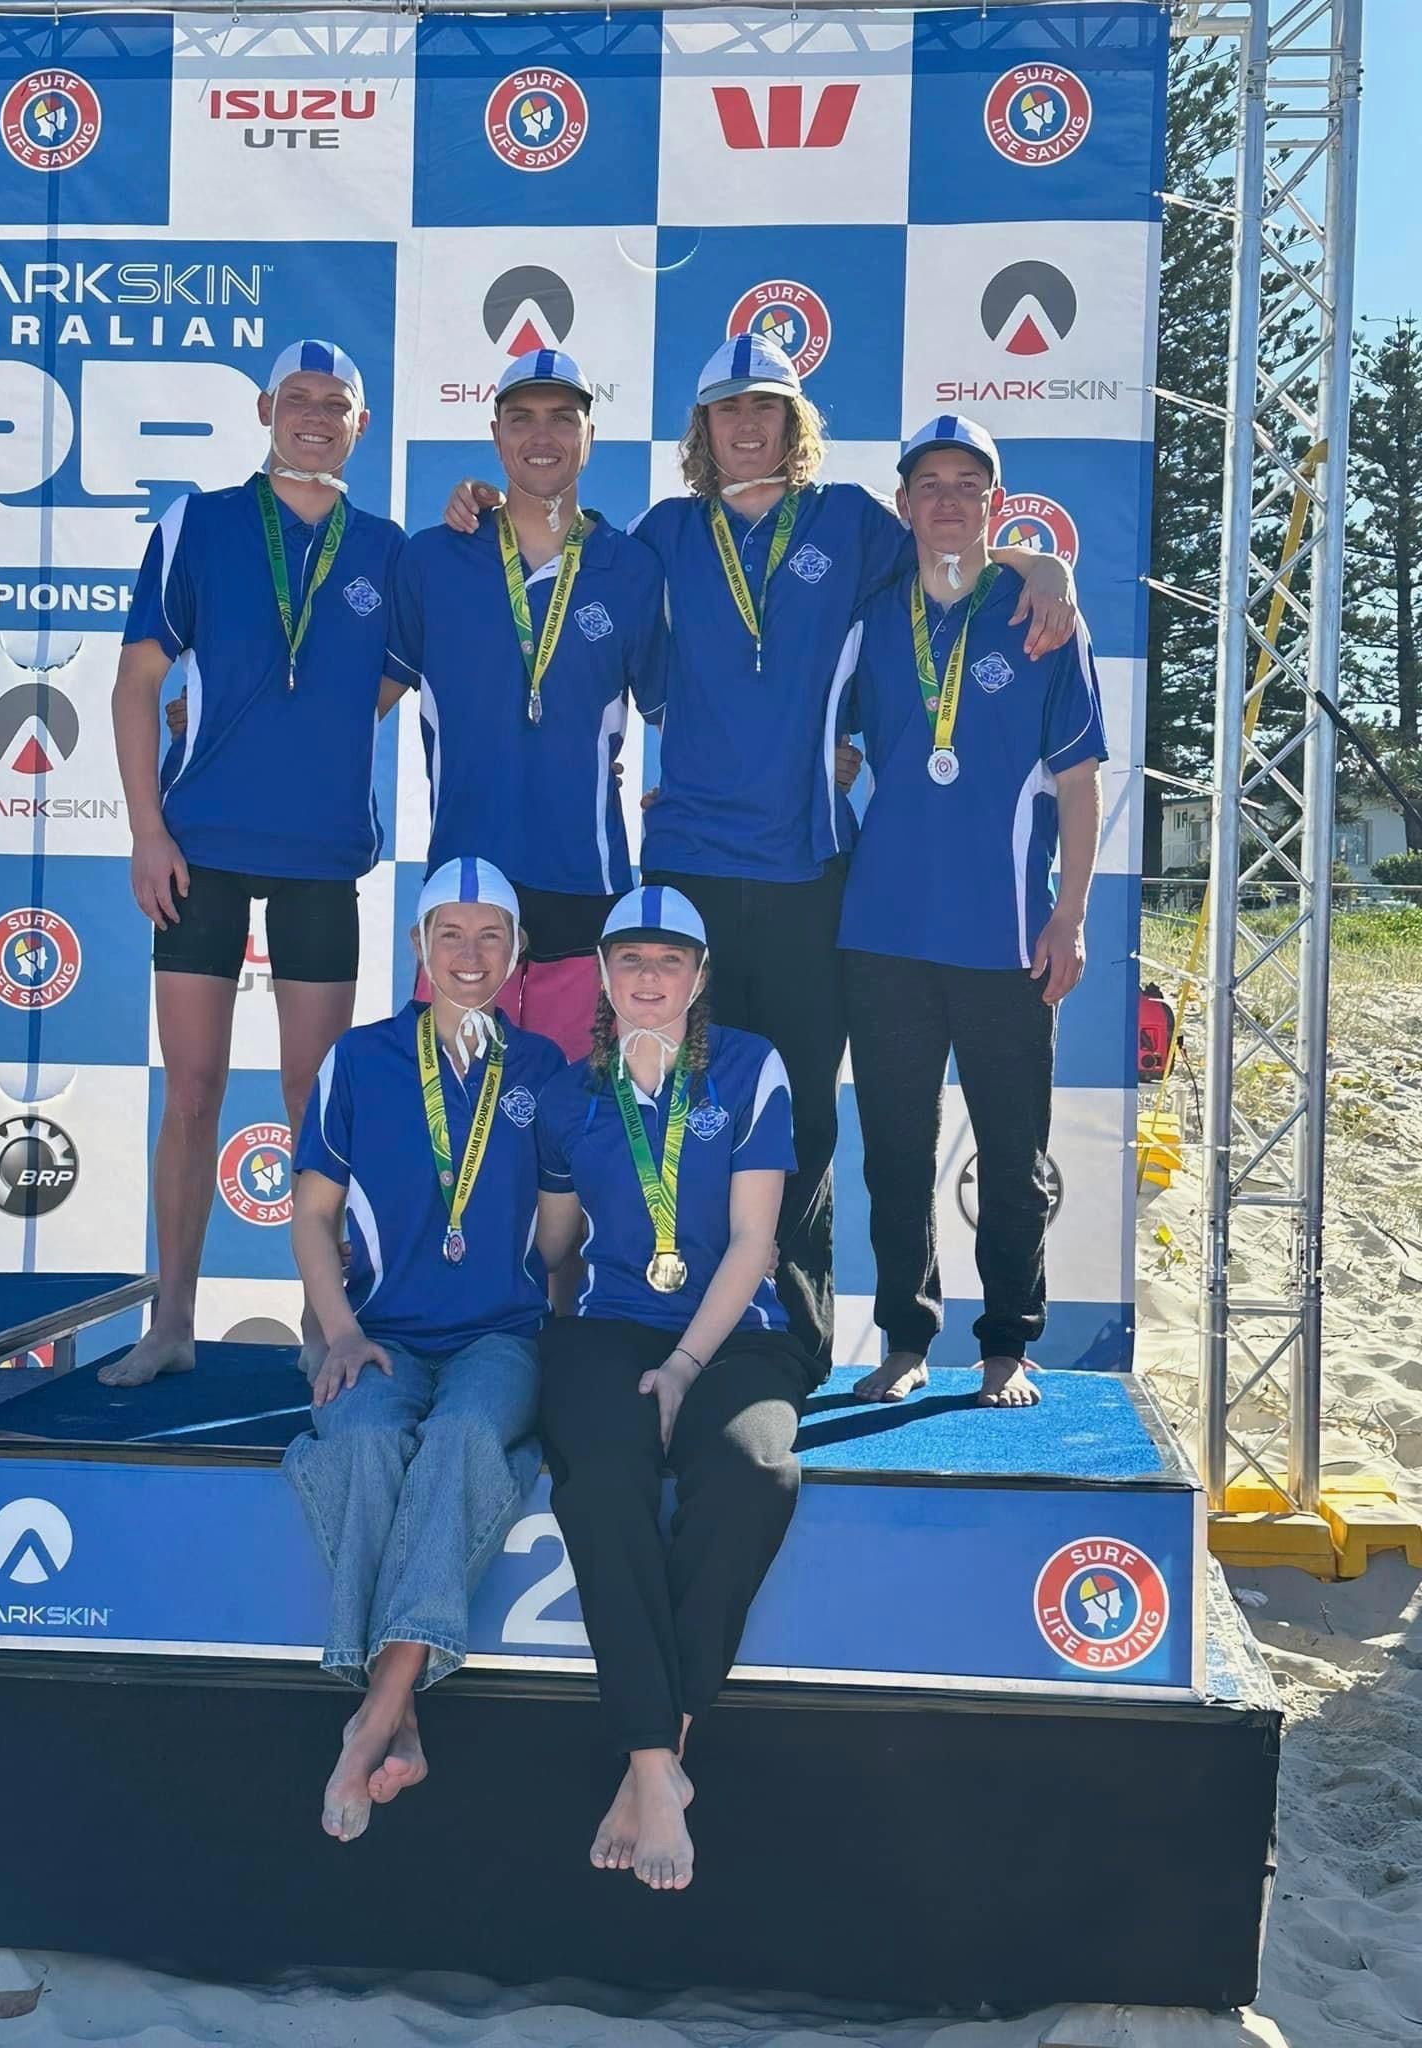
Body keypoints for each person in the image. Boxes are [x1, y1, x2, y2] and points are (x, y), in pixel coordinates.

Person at [445, 334, 1077, 1374]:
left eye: (769, 410)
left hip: (808, 872)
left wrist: (1040, 561)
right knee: (686, 1105)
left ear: (794, 426)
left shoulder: (849, 525)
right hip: (686, 869)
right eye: (730, 411)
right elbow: (557, 556)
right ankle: (688, 1316)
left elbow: (949, 547)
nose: (749, 427)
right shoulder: (660, 535)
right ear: (703, 431)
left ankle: (798, 1334)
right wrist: (478, 499)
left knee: (806, 1116)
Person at [105, 339, 408, 1389]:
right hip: (202, 852)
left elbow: (381, 686)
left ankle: (323, 1323)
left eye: (339, 402)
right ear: (269, 409)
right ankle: (174, 1321)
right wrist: (148, 828)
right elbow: (136, 682)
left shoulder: (388, 549)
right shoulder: (199, 524)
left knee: (309, 1100)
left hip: (322, 857)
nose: (317, 416)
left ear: (359, 426)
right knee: (191, 1091)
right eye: (300, 400)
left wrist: (303, 731)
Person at [534, 885, 815, 1892]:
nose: (649, 978)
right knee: (601, 1480)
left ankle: (655, 1758)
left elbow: (754, 1241)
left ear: (700, 977)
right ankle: (657, 1764)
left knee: (754, 1476)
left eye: (670, 961)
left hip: (737, 1335)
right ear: (605, 976)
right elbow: (560, 1250)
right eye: (630, 961)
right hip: (610, 1329)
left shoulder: (750, 1066)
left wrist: (687, 1365)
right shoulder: (572, 1092)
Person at [288, 856, 566, 1842]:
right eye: (450, 933)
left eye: (492, 934)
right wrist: (342, 1328)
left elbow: (564, 1239)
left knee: (459, 1438)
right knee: (361, 1440)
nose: (470, 954)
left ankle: (374, 1709)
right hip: (381, 1335)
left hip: (500, 1338)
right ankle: (398, 1718)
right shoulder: (358, 1062)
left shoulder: (540, 1072)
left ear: (519, 952)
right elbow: (311, 1214)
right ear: (416, 946)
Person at [837, 417, 1106, 1411]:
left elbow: (1079, 785)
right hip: (883, 935)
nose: (947, 498)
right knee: (898, 1153)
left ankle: (1006, 1347)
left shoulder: (1040, 617)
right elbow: (822, 734)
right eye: (929, 482)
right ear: (902, 503)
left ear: (994, 505)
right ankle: (906, 1339)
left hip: (1004, 940)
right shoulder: (869, 616)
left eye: (968, 484)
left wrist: (1068, 917)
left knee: (1012, 1157)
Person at [388, 350, 668, 1058]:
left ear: (590, 437)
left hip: (585, 878)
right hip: (465, 883)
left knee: (570, 1115)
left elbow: (687, 717)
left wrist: (829, 752)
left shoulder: (631, 568)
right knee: (457, 1115)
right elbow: (358, 699)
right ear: (494, 435)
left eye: (561, 419)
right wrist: (221, 721)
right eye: (522, 419)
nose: (541, 436)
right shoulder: (432, 560)